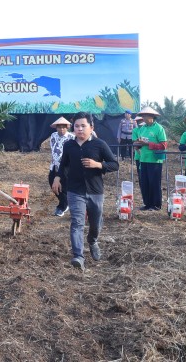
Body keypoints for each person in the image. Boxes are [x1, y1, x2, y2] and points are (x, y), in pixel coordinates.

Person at [51, 112, 119, 270]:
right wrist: (57, 177)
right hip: (75, 191)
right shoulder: (69, 145)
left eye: (83, 126)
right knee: (77, 223)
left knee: (95, 223)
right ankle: (78, 256)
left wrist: (98, 165)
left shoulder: (100, 144)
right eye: (76, 126)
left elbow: (115, 164)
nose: (79, 129)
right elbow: (63, 165)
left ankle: (93, 241)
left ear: (91, 127)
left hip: (95, 191)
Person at [133, 106, 168, 211]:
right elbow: (139, 143)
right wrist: (137, 144)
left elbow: (163, 145)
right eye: (142, 116)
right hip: (143, 159)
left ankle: (156, 205)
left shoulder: (159, 128)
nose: (143, 118)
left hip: (155, 160)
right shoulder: (142, 129)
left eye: (145, 116)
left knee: (154, 182)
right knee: (144, 182)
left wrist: (147, 144)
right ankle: (147, 204)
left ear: (152, 116)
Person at [47, 117, 74, 217]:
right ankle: (65, 202)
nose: (61, 129)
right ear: (56, 128)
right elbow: (53, 148)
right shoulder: (53, 136)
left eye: (63, 127)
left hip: (66, 164)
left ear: (67, 128)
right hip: (55, 164)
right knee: (52, 181)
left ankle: (62, 206)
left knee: (65, 184)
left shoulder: (71, 137)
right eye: (59, 127)